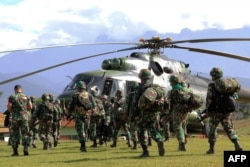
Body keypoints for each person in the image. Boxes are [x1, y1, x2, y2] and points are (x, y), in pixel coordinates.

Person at [205, 67, 242, 154]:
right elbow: (235, 96)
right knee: (229, 128)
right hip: (227, 111)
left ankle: (211, 149)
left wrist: (208, 110)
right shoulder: (228, 84)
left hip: (216, 112)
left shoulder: (212, 86)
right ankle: (237, 144)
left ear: (213, 76)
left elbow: (209, 99)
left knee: (212, 130)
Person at [135, 69, 166, 157]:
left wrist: (132, 115)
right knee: (154, 130)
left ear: (141, 77)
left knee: (142, 131)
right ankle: (159, 140)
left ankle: (145, 151)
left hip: (143, 114)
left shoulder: (140, 88)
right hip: (155, 113)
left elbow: (135, 103)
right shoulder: (156, 88)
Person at [68, 81, 97, 152]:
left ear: (77, 87)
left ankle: (83, 146)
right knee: (86, 129)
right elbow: (94, 105)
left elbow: (71, 106)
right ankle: (90, 139)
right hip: (87, 115)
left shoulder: (75, 96)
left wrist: (69, 114)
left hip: (79, 115)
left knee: (80, 130)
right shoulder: (89, 95)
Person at [167, 75, 193, 151]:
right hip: (186, 111)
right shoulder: (186, 90)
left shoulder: (172, 91)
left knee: (177, 127)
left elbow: (169, 102)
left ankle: (181, 144)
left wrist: (169, 112)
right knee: (183, 126)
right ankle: (184, 140)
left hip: (177, 111)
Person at [7, 84, 32, 156]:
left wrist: (12, 111)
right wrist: (25, 110)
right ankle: (25, 149)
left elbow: (9, 107)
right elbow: (30, 106)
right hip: (24, 117)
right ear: (21, 89)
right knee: (25, 133)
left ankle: (15, 151)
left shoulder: (11, 97)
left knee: (15, 134)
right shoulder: (26, 97)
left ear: (15, 90)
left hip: (15, 118)